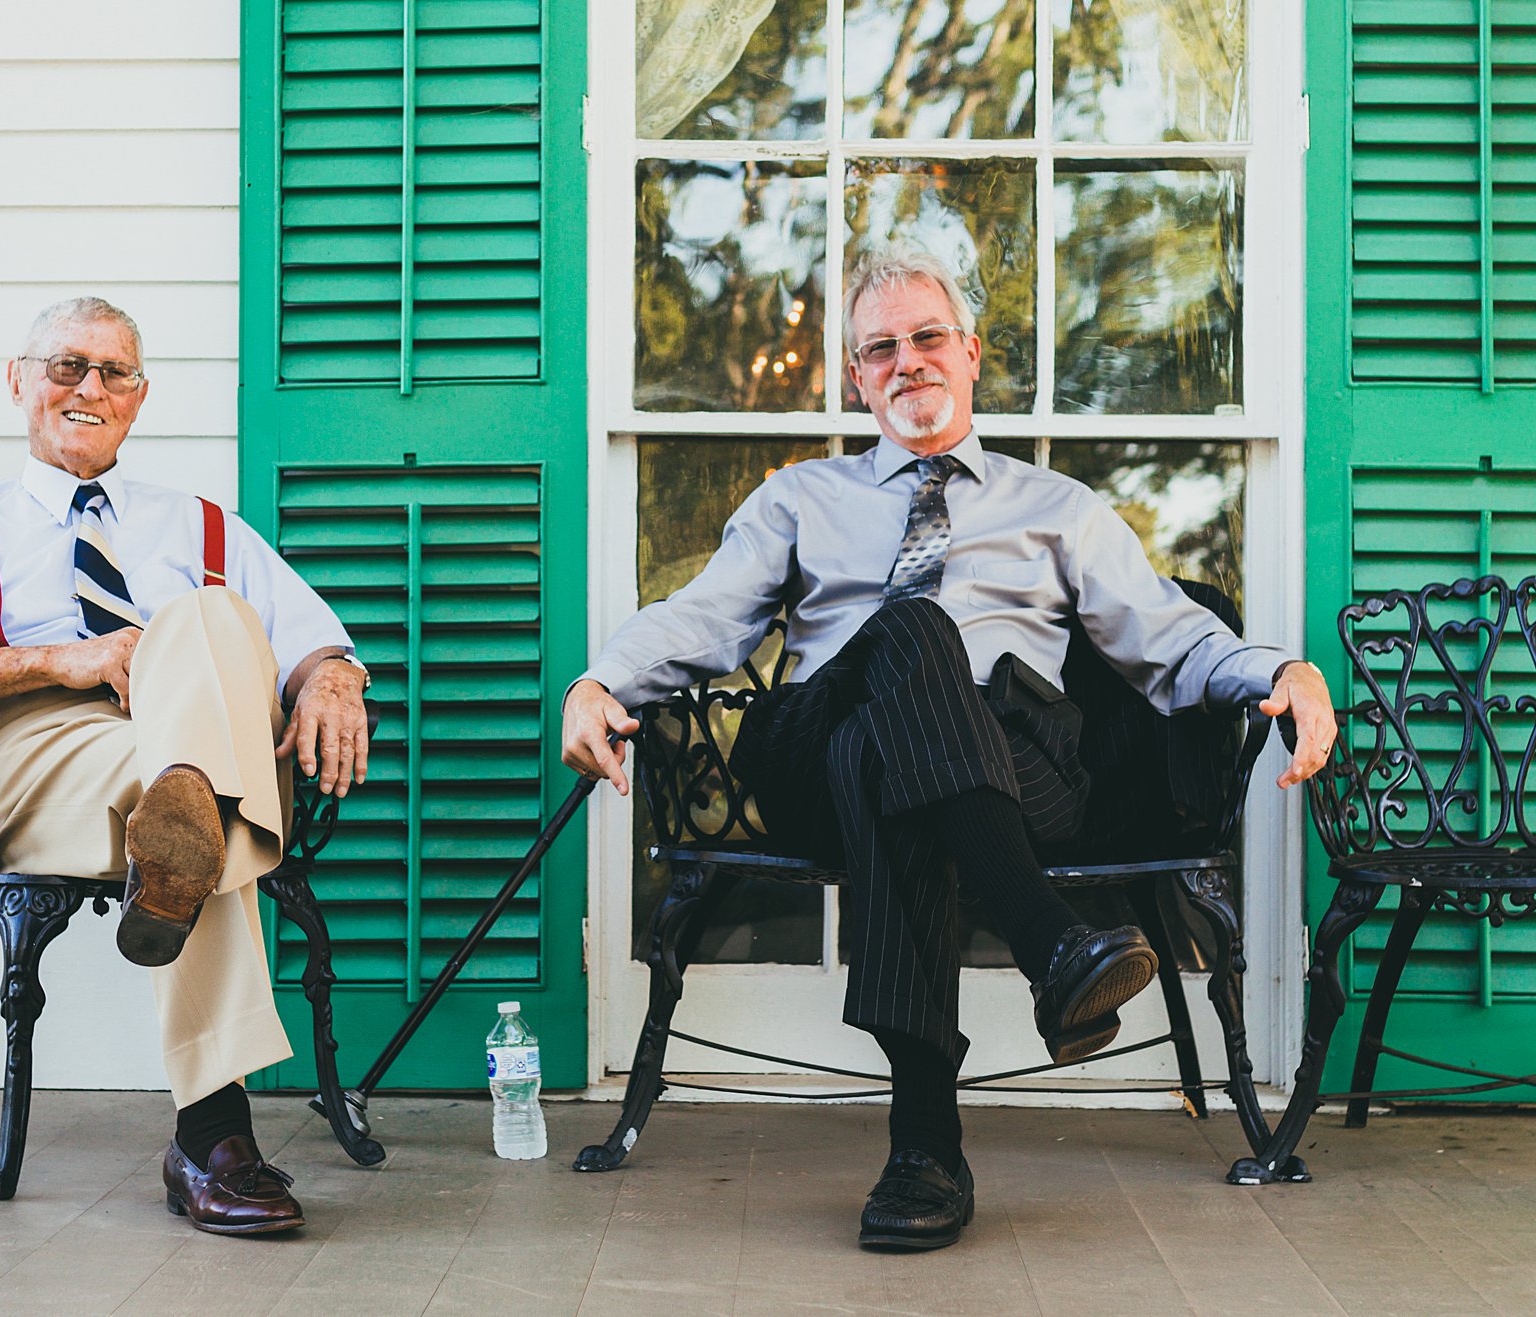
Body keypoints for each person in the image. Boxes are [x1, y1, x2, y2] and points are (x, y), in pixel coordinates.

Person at [562, 246, 1338, 1251]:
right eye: (879, 349)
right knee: (910, 631)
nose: (906, 362)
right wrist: (600, 681)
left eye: (926, 338)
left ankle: (923, 1145)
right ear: (855, 376)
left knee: (897, 770)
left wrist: (1282, 673)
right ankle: (1048, 943)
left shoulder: (1058, 509)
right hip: (815, 745)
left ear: (970, 355)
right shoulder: (801, 498)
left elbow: (1166, 637)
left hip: (1015, 761)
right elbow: (700, 618)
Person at [0, 297, 370, 1236]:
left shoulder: (204, 525)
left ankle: (187, 822)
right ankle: (214, 1134)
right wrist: (55, 659)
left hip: (184, 740)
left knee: (211, 636)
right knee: (214, 785)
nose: (89, 387)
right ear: (18, 380)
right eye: (66, 366)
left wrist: (333, 678)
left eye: (113, 372)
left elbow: (311, 644)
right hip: (40, 755)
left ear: (140, 395)